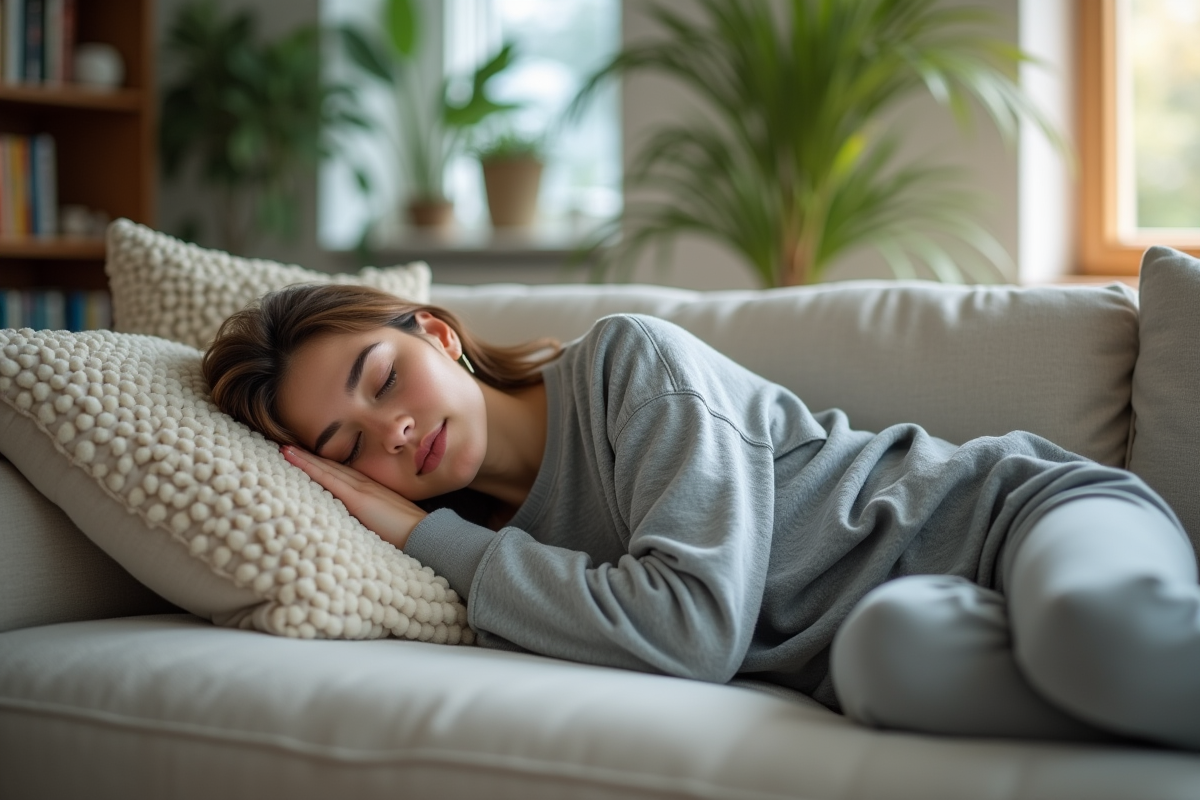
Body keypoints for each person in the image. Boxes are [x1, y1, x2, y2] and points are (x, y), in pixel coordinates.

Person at [202, 283, 1200, 751]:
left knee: (1087, 629)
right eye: (344, 448)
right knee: (888, 658)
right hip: (880, 633)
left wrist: (434, 537)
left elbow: (693, 625)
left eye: (383, 377)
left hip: (1017, 517)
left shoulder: (629, 366)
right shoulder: (490, 560)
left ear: (438, 331)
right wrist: (437, 543)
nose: (393, 429)